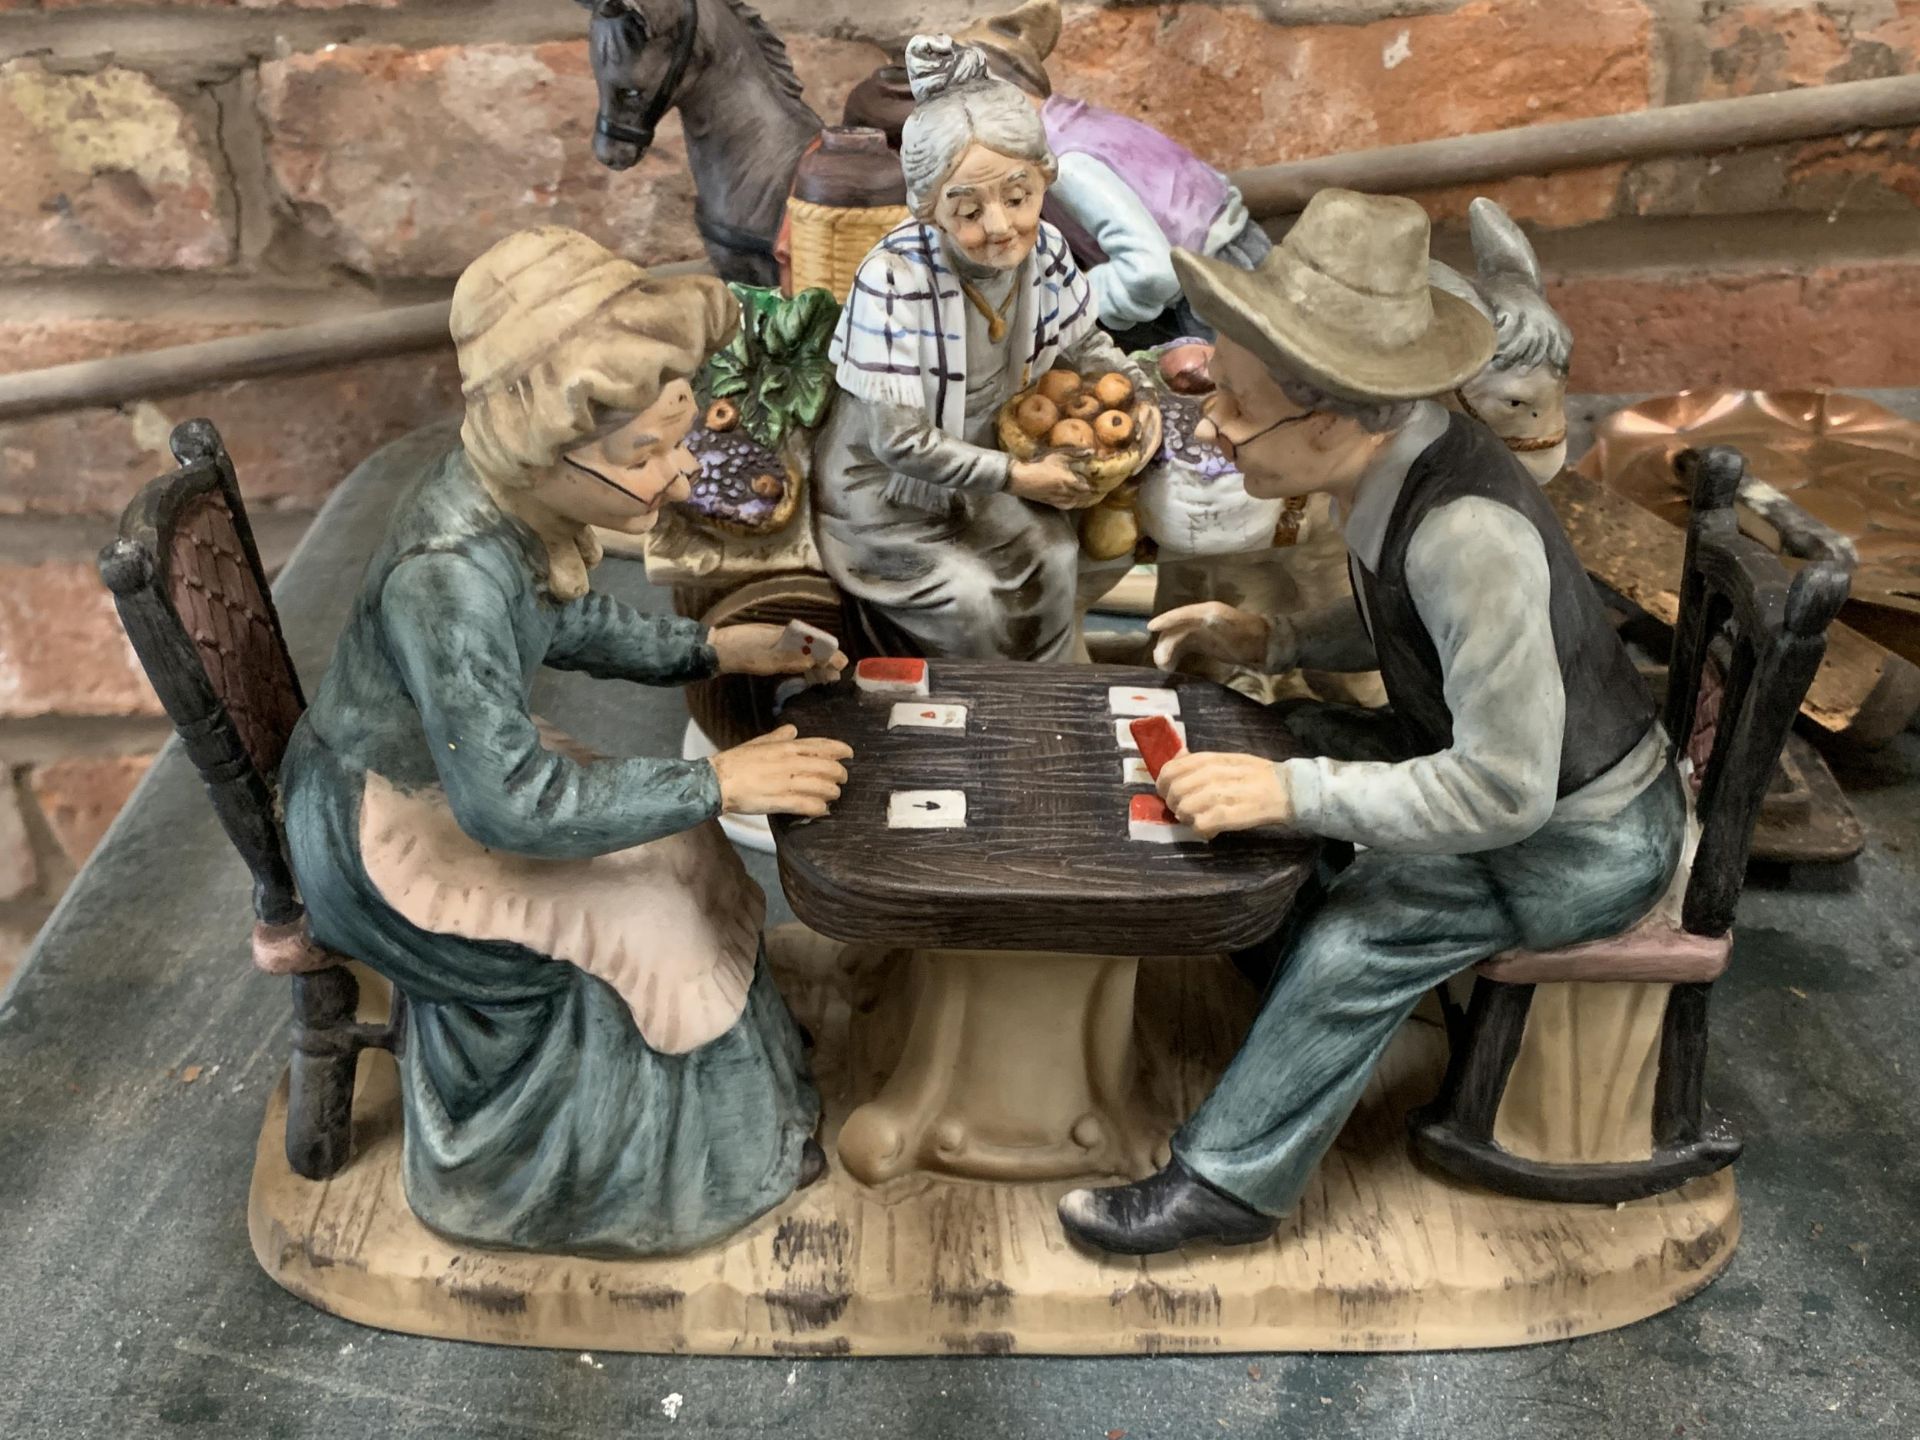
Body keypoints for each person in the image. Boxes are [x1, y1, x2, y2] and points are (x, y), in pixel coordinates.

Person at [1056, 190, 1688, 1255]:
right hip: (1482, 763)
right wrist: (1278, 641)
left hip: (1581, 834)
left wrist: (1294, 795)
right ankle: (1285, 995)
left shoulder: (1468, 539)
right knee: (1273, 738)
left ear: (1340, 415)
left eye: (1237, 408)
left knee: (1366, 934)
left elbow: (1502, 790)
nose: (1209, 425)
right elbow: (1398, 621)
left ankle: (1228, 1184)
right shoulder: (1395, 465)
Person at [280, 226, 854, 1258]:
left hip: (461, 773)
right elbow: (511, 806)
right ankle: (651, 1178)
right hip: (386, 824)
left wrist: (713, 651)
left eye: (675, 440)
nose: (678, 475)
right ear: (542, 448)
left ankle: (743, 1100)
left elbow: (568, 620)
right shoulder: (447, 574)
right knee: (653, 920)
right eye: (645, 455)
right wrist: (716, 776)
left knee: (684, 853)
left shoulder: (514, 517)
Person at [816, 33, 1155, 663]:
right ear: (929, 210)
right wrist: (1020, 476)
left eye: (1019, 198)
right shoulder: (895, 280)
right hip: (887, 496)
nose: (999, 227)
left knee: (1055, 554)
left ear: (1043, 182)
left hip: (988, 476)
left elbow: (1088, 348)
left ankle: (1056, 700)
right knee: (968, 600)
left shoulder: (1045, 253)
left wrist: (1140, 400)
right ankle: (968, 722)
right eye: (968, 210)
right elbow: (899, 443)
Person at [957, 0, 1273, 351]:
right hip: (1229, 257)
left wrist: (1066, 308)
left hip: (1212, 291)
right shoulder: (1076, 122)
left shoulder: (1066, 163)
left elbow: (1150, 273)